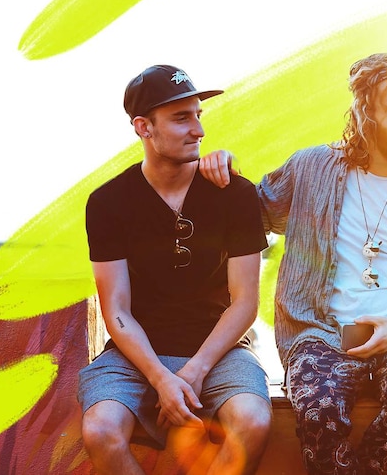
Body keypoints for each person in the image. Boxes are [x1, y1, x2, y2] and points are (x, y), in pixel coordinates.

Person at [200, 53, 387, 475]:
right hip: (320, 333)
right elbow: (250, 212)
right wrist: (223, 166)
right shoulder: (311, 168)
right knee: (319, 412)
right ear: (364, 110)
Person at [78, 65, 272, 475]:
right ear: (143, 127)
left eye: (199, 115)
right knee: (100, 430)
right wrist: (163, 380)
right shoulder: (108, 202)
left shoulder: (235, 194)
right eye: (182, 118)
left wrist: (194, 370)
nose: (198, 130)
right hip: (136, 354)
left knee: (253, 421)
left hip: (219, 350)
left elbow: (245, 302)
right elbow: (116, 310)